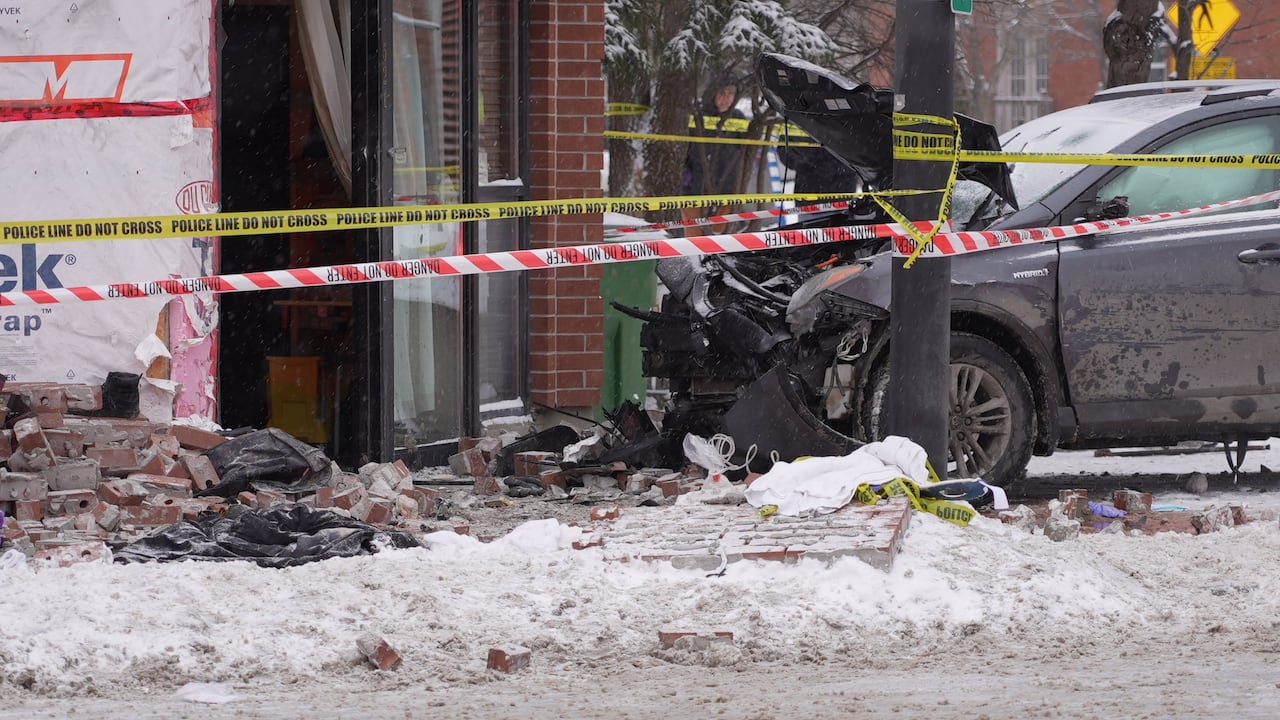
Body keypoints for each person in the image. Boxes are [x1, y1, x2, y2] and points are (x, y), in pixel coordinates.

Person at [680, 78, 748, 234]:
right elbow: (683, 149)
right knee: (694, 239)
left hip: (727, 191)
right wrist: (686, 173)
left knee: (722, 239)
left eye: (731, 93)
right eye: (721, 93)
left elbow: (747, 153)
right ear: (712, 94)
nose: (726, 98)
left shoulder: (738, 119)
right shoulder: (697, 117)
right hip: (695, 190)